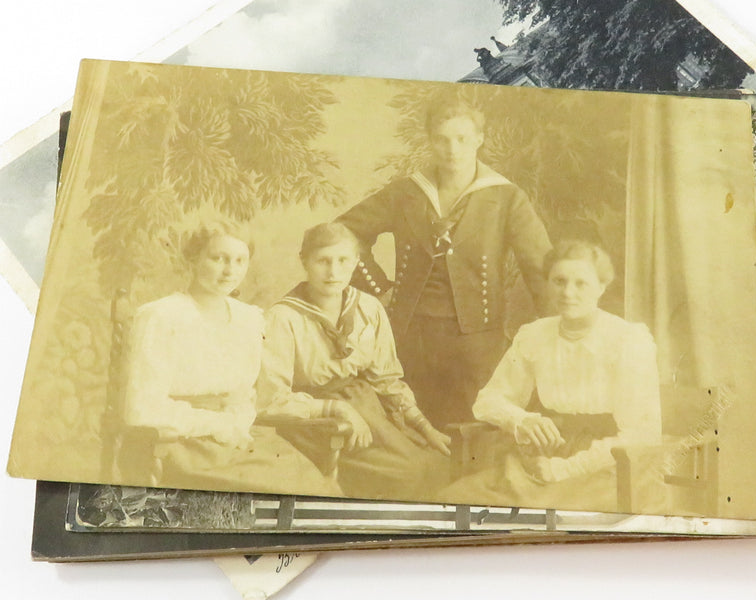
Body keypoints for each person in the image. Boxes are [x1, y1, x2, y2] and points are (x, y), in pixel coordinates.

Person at [336, 94, 552, 428]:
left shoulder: (506, 197)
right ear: (430, 141)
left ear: (479, 140)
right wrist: (379, 286)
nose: (452, 149)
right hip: (410, 336)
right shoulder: (406, 192)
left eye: (462, 139)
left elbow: (540, 268)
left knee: (475, 431)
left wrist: (554, 326)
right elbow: (342, 232)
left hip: (478, 341)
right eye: (442, 140)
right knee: (413, 428)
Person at [441, 240, 662, 513]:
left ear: (602, 287)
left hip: (608, 464)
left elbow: (642, 434)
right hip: (541, 454)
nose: (568, 292)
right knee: (456, 498)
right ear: (548, 284)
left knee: (539, 515)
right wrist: (521, 420)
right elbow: (488, 401)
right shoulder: (535, 335)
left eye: (581, 283)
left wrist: (563, 469)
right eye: (559, 281)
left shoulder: (627, 340)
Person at [123, 221, 341, 496]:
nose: (230, 271)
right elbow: (142, 409)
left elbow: (244, 396)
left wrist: (235, 422)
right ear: (193, 258)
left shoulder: (247, 318)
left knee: (315, 488)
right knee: (273, 491)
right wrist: (218, 425)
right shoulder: (162, 316)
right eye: (218, 259)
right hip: (179, 442)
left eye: (240, 260)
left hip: (237, 436)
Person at [259, 222, 451, 500]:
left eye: (343, 260)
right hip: (315, 424)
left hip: (368, 409)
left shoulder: (368, 307)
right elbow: (270, 400)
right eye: (323, 261)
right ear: (305, 262)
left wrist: (423, 425)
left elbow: (385, 380)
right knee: (409, 475)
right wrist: (336, 408)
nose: (333, 272)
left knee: (437, 465)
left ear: (356, 262)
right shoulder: (283, 318)